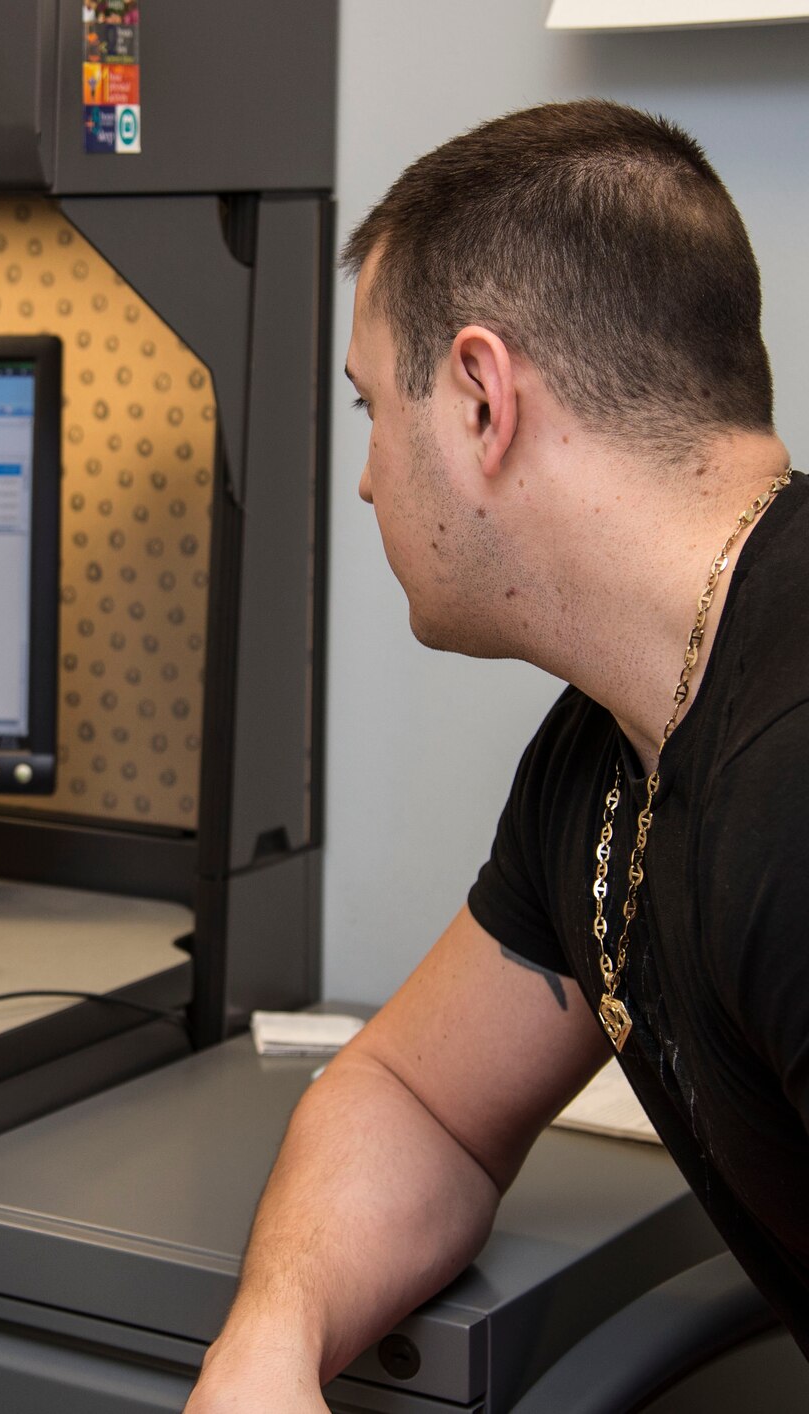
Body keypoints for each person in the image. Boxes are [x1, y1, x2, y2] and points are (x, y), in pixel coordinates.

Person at [187, 100, 804, 1410]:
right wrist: (269, 1347)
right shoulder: (612, 742)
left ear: (480, 397)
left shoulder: (792, 784)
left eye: (371, 407)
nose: (367, 480)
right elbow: (418, 1098)